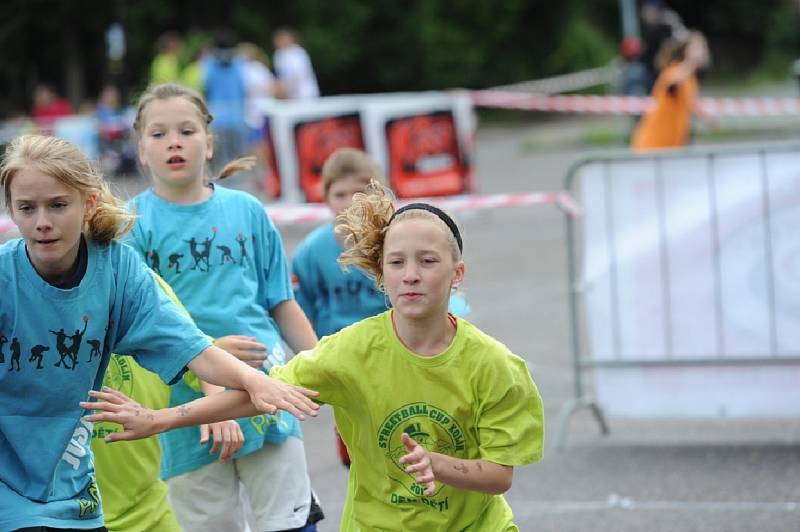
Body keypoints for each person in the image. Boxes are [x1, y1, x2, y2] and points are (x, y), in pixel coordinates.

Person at [86, 180, 545, 530]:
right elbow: (263, 394)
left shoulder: (496, 366)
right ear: (380, 274)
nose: (411, 275)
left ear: (457, 273)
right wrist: (160, 419)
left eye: (428, 261)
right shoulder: (351, 351)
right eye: (397, 262)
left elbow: (500, 475)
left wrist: (439, 465)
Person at [0, 134, 318, 532]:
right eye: (27, 208)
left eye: (58, 205)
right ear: (11, 208)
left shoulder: (118, 268)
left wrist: (256, 382)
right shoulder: (4, 276)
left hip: (72, 492)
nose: (42, 221)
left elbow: (191, 348)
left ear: (89, 205)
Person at [128, 82, 323, 532]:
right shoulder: (132, 227)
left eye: (186, 130)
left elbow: (281, 304)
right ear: (140, 150)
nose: (173, 141)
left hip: (263, 393)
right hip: (183, 409)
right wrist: (210, 388)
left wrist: (324, 365)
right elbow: (146, 330)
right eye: (158, 134)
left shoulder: (248, 211)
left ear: (209, 142)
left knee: (289, 520)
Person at [631, 31, 714, 151]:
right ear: (687, 51)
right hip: (653, 146)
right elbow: (674, 83)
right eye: (698, 48)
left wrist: (706, 116)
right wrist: (691, 62)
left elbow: (688, 102)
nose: (702, 52)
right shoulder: (673, 71)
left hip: (673, 146)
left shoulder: (691, 80)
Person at [272, 27, 320, 100]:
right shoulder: (279, 55)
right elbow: (281, 76)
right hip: (289, 94)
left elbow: (301, 75)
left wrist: (287, 89)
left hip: (304, 92)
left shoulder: (297, 53)